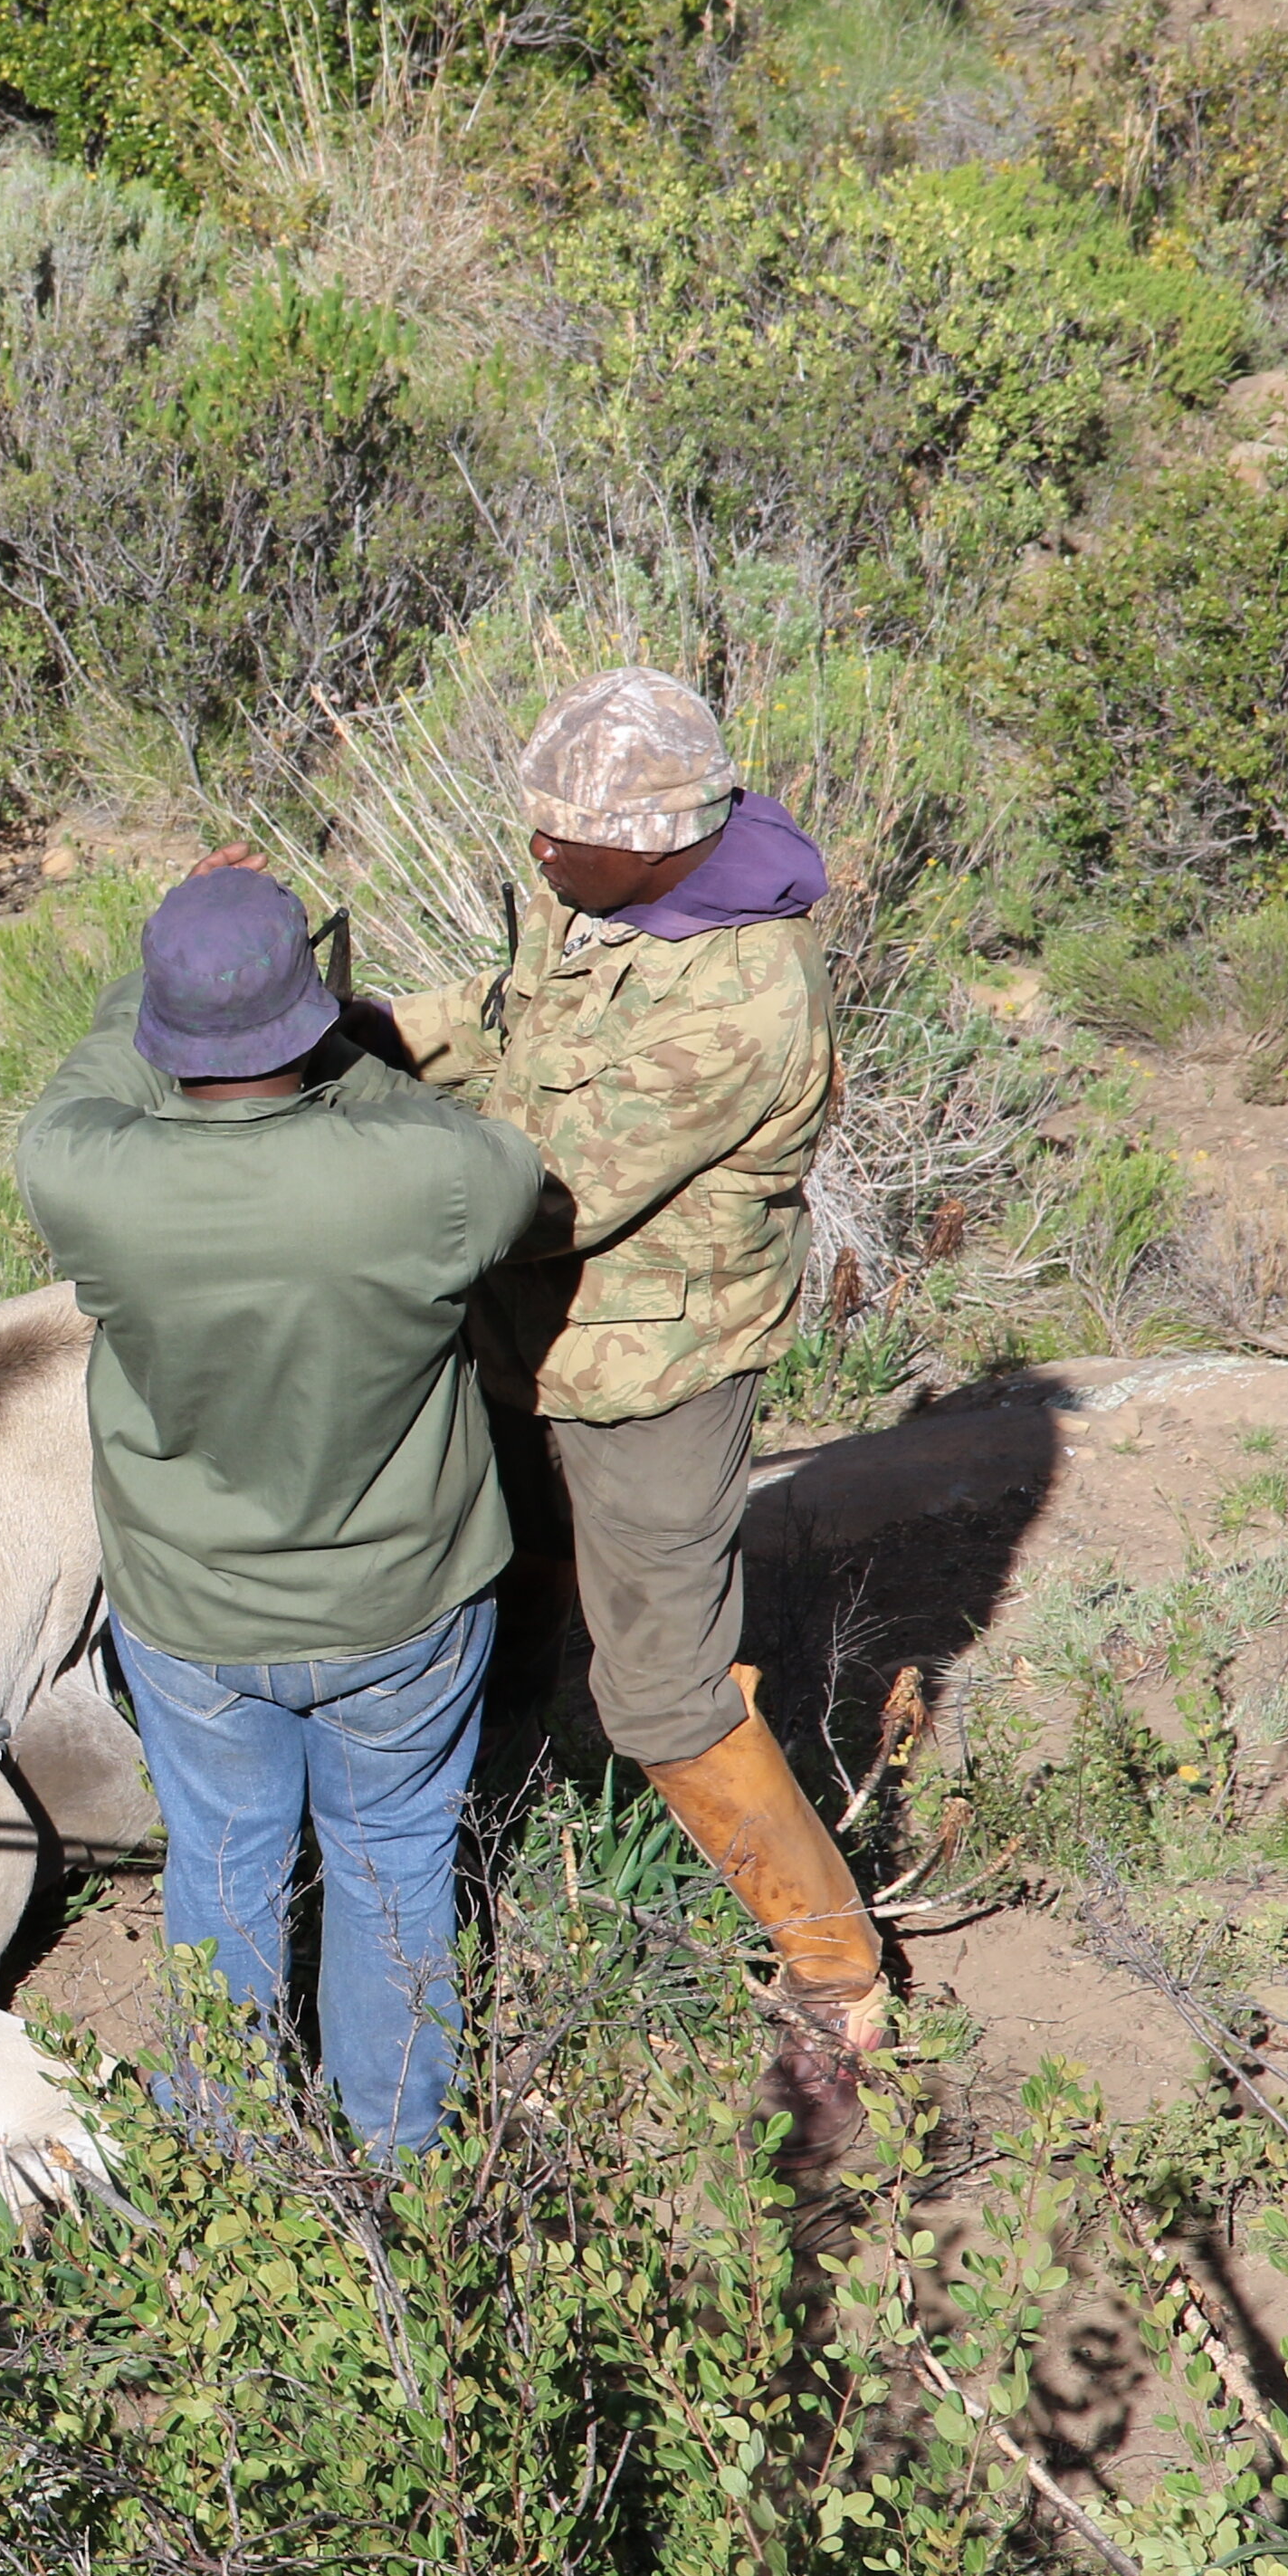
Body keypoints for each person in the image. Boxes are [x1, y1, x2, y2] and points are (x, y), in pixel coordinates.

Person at [366, 667, 883, 2062]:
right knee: (511, 1580)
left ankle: (833, 1967)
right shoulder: (598, 892)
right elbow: (508, 1012)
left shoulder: (742, 1002)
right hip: (519, 1341)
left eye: (557, 836)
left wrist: (340, 1183)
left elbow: (547, 1196)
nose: (534, 855)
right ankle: (504, 1808)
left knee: (661, 1685)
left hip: (649, 1370)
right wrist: (374, 1036)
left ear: (660, 841)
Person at [17, 868, 545, 2157]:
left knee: (225, 1871)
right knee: (396, 1869)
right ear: (308, 1018)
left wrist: (174, 985)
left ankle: (236, 2158)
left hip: (194, 1609)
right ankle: (402, 2162)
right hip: (403, 1605)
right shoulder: (430, 1178)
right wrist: (338, 1042)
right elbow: (500, 1162)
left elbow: (98, 1072)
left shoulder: (83, 1176)